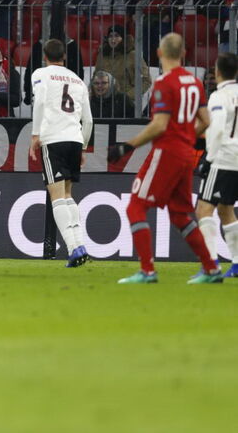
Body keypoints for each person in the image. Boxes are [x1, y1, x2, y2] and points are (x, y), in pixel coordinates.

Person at [108, 33, 222, 284]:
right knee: (181, 215)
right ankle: (211, 269)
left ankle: (147, 271)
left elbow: (159, 125)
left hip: (167, 152)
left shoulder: (163, 83)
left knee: (136, 207)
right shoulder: (195, 82)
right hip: (185, 153)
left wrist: (127, 146)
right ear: (183, 54)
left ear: (159, 54)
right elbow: (206, 121)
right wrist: (186, 137)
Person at [29, 38, 94, 268]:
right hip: (75, 139)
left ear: (45, 56)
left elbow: (38, 103)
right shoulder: (77, 80)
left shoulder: (40, 74)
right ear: (64, 56)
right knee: (67, 195)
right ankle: (80, 244)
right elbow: (88, 120)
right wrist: (83, 145)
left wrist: (35, 135)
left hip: (53, 139)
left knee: (57, 196)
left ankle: (73, 248)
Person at [197, 54, 238, 278]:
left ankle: (210, 265)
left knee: (204, 209)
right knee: (226, 209)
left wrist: (209, 159)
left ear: (218, 71)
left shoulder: (218, 96)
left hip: (223, 159)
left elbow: (218, 128)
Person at [93, 24, 151, 111]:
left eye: (117, 36)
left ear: (124, 38)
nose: (113, 39)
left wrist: (126, 97)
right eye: (110, 36)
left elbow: (146, 80)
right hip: (103, 102)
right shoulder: (102, 55)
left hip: (126, 103)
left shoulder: (133, 55)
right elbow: (95, 77)